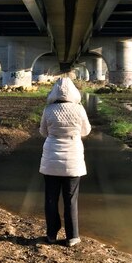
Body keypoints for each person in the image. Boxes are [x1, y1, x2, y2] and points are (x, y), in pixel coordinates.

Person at [39, 77, 91, 247]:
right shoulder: (79, 109)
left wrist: (55, 135)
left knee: (50, 199)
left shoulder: (48, 109)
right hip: (73, 158)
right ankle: (72, 237)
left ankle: (51, 234)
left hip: (51, 159)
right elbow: (86, 131)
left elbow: (43, 131)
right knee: (71, 200)